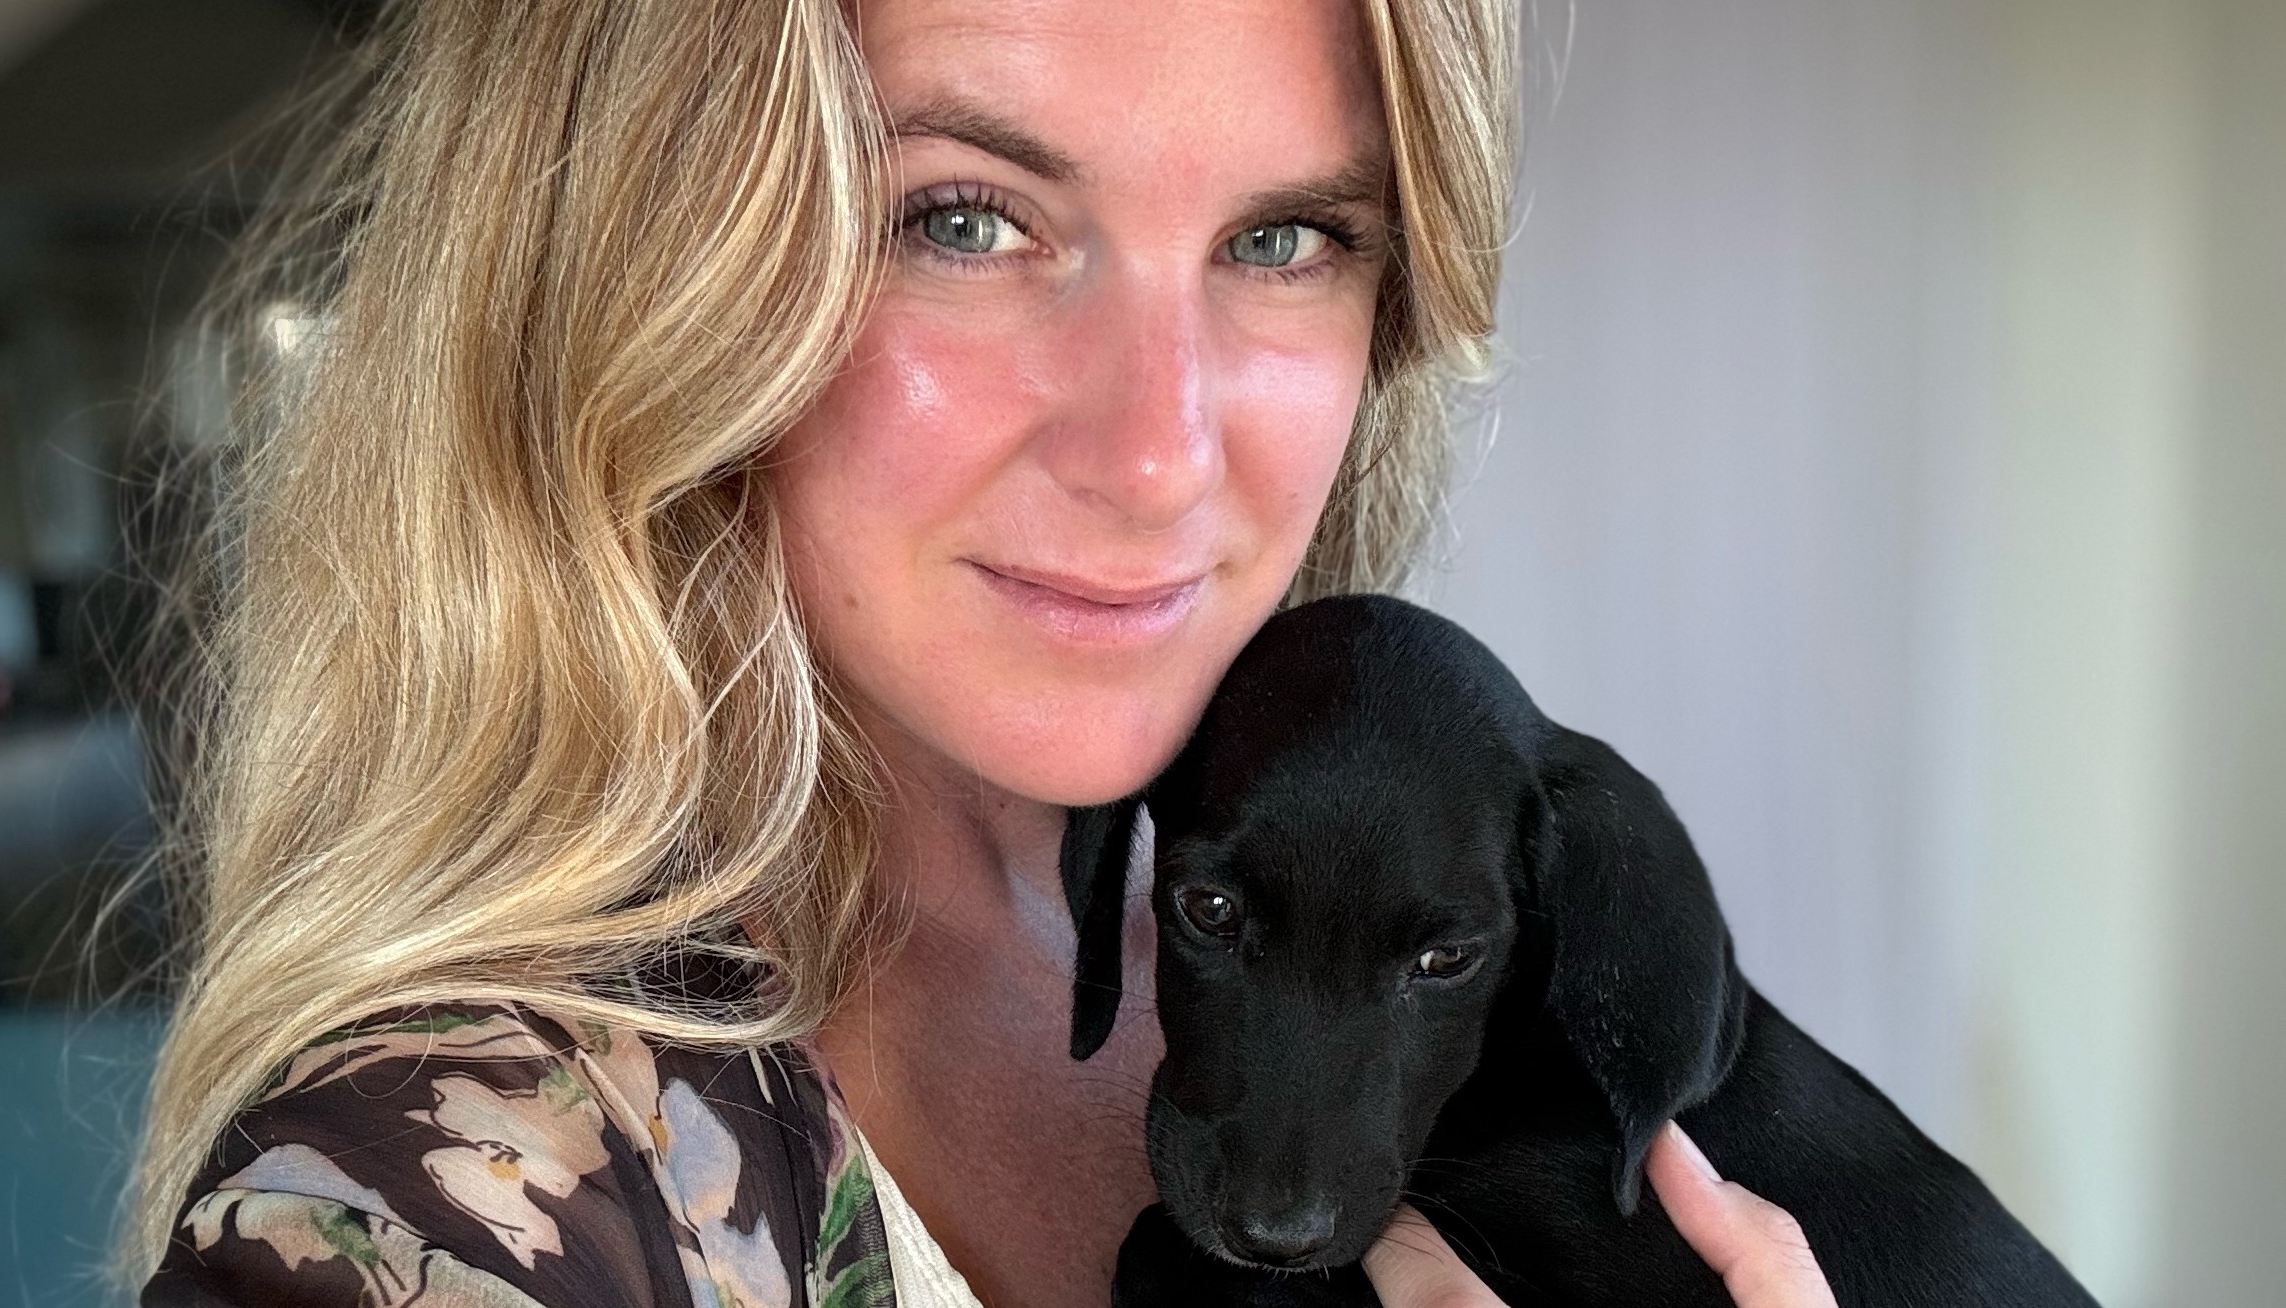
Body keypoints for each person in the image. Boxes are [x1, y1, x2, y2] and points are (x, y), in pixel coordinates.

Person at [127, 2, 1837, 1306]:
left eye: (1280, 241)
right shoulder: (438, 1194)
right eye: (964, 219)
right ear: (640, 272)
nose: (1158, 455)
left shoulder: (1440, 928)